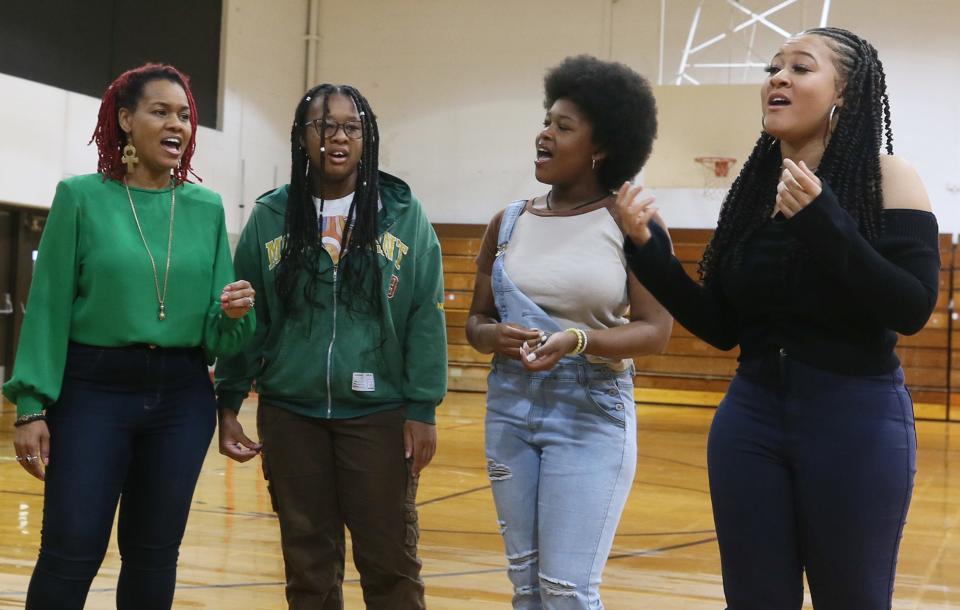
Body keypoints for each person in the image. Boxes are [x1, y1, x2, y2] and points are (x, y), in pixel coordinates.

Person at [615, 27, 938, 609]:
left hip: (854, 420)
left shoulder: (890, 178)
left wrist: (824, 220)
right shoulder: (754, 189)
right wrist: (652, 254)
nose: (778, 78)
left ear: (845, 92)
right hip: (750, 421)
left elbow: (911, 307)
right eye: (773, 68)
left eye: (801, 68)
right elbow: (722, 327)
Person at [1, 63, 256, 610]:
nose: (178, 124)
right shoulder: (80, 197)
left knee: (154, 555)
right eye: (160, 111)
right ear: (124, 120)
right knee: (71, 550)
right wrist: (30, 406)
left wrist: (235, 313)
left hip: (182, 396)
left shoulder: (207, 208)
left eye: (185, 115)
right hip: (92, 391)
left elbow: (219, 338)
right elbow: (47, 310)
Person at [214, 83, 447, 610]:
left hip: (379, 414)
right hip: (291, 413)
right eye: (324, 125)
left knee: (390, 562)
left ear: (367, 139)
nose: (337, 137)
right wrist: (228, 400)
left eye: (351, 127)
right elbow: (247, 314)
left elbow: (424, 316)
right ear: (301, 137)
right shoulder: (272, 216)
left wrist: (422, 407)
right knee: (308, 566)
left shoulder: (402, 215)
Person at [465, 55, 672, 609]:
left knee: (566, 592)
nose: (545, 133)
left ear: (601, 146)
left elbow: (656, 331)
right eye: (546, 120)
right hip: (509, 409)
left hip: (590, 415)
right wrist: (492, 337)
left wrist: (580, 341)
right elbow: (475, 322)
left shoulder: (630, 223)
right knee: (526, 588)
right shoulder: (507, 221)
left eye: (563, 126)